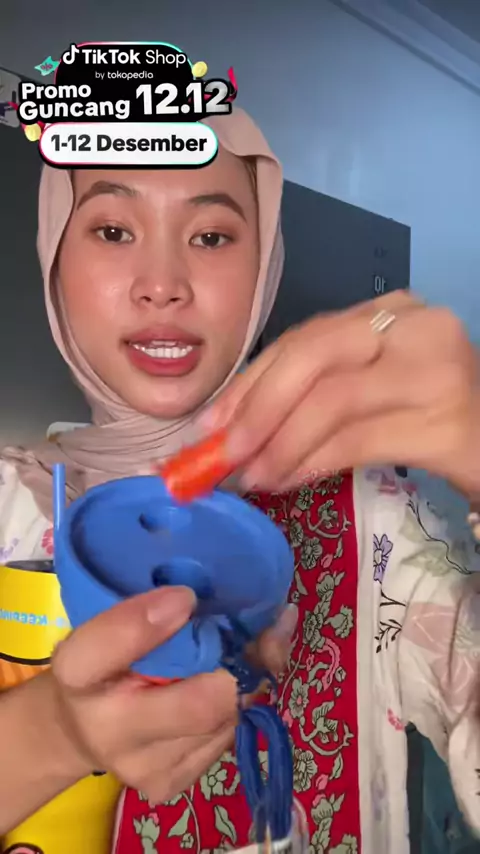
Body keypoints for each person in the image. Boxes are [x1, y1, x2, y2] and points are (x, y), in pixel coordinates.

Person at [1, 107, 480, 854]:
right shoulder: (7, 508)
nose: (163, 285)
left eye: (211, 236)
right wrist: (50, 734)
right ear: (54, 253)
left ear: (263, 267)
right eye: (114, 230)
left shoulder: (372, 519)